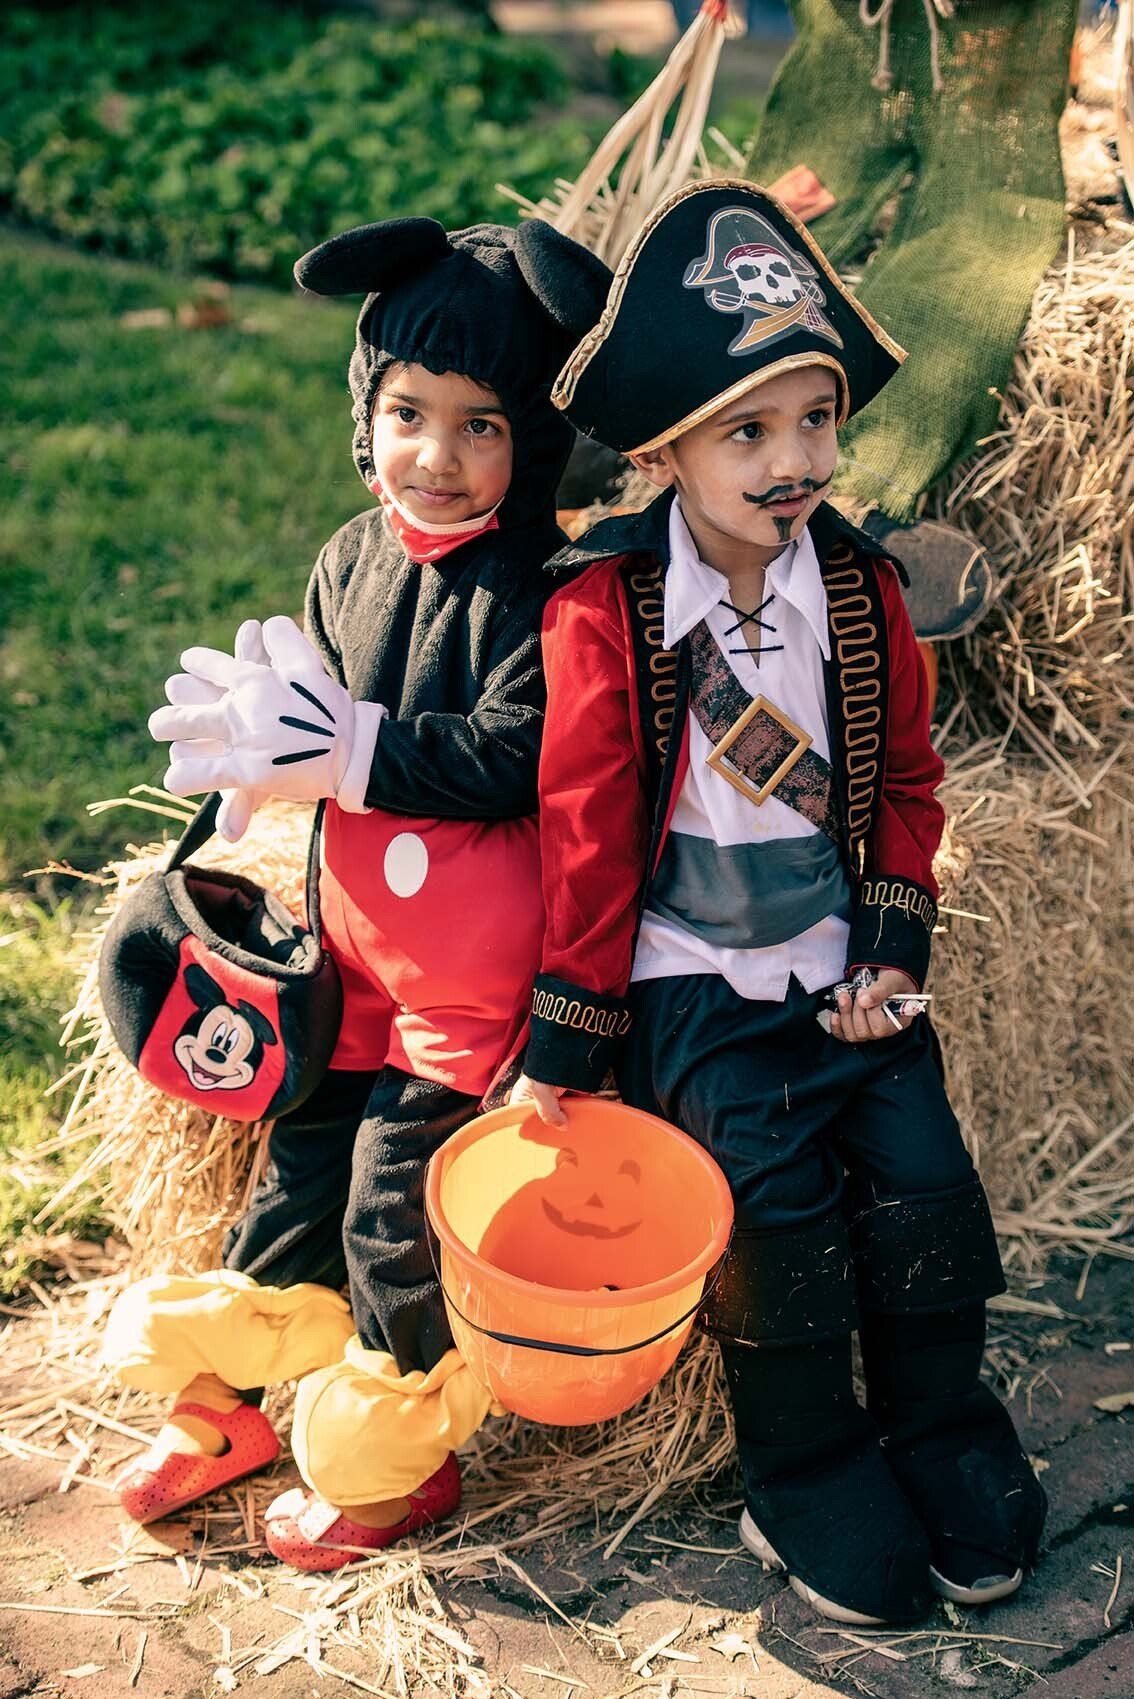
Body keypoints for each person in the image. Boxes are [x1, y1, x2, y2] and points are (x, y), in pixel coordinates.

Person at [512, 180, 1046, 1625]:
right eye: (747, 430)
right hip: (694, 984)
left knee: (928, 1189)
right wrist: (564, 1046)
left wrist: (887, 942)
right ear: (666, 450)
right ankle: (802, 1471)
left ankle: (941, 1434)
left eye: (814, 419)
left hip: (840, 973)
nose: (792, 457)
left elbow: (909, 790)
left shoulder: (864, 597)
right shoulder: (602, 612)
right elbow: (579, 834)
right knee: (775, 1227)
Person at [101, 214, 610, 1571]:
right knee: (296, 1164)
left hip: (466, 986)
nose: (434, 456)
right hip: (352, 954)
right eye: (405, 412)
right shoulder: (350, 554)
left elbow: (516, 757)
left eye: (479, 425)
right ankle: (234, 1406)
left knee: (393, 1206)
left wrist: (354, 750)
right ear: (364, 410)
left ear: (535, 438)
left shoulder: (544, 592)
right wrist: (257, 776)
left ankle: (394, 1459)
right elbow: (309, 711)